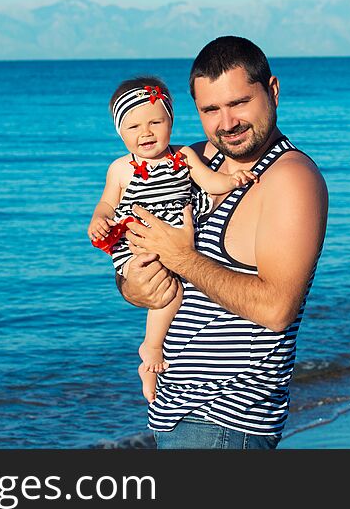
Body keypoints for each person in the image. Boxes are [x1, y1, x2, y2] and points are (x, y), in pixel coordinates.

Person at [120, 36, 328, 449]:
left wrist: (181, 257)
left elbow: (276, 309)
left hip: (227, 425)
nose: (226, 122)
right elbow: (141, 258)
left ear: (272, 90)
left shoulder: (290, 180)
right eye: (210, 109)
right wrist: (134, 286)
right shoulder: (192, 162)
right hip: (173, 413)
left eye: (239, 103)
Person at [88, 77, 258, 403]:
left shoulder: (183, 157)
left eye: (156, 121)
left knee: (178, 289)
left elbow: (210, 183)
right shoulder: (121, 168)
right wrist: (98, 219)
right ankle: (151, 347)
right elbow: (107, 203)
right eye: (133, 126)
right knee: (170, 291)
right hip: (137, 241)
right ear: (120, 133)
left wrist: (233, 179)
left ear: (171, 122)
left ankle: (152, 372)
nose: (146, 132)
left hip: (178, 230)